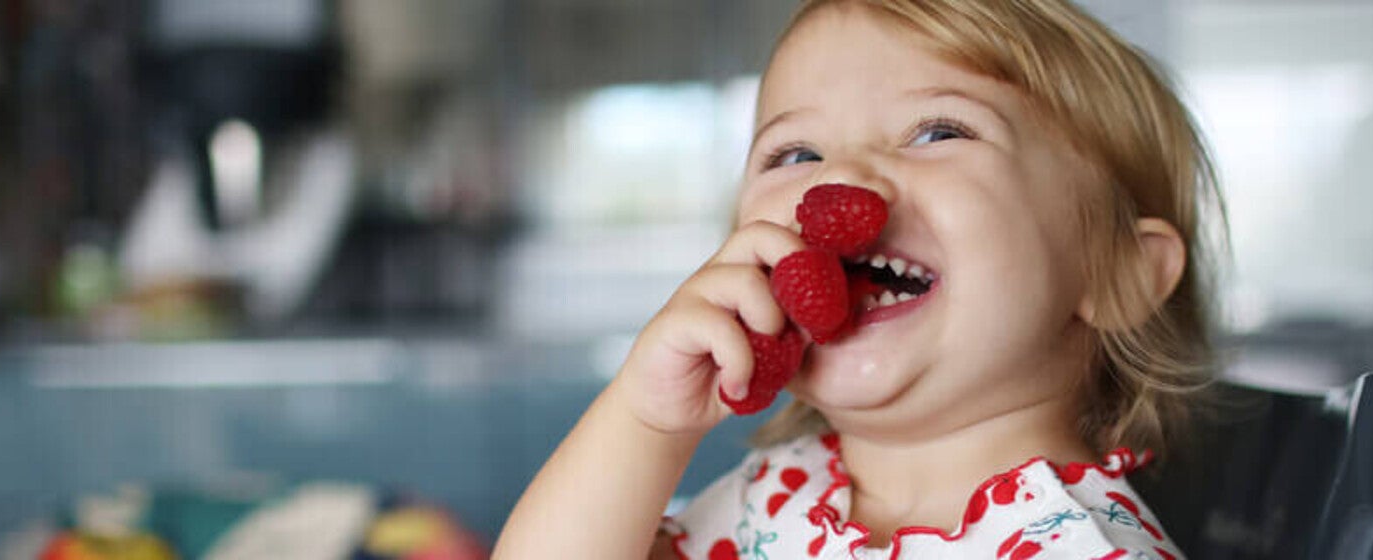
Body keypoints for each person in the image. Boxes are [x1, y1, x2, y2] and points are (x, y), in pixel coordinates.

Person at [497, 0, 1221, 557]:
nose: (838, 179)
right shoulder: (775, 492)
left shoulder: (1084, 546)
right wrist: (647, 422)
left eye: (938, 132)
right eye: (794, 154)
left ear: (1118, 274)